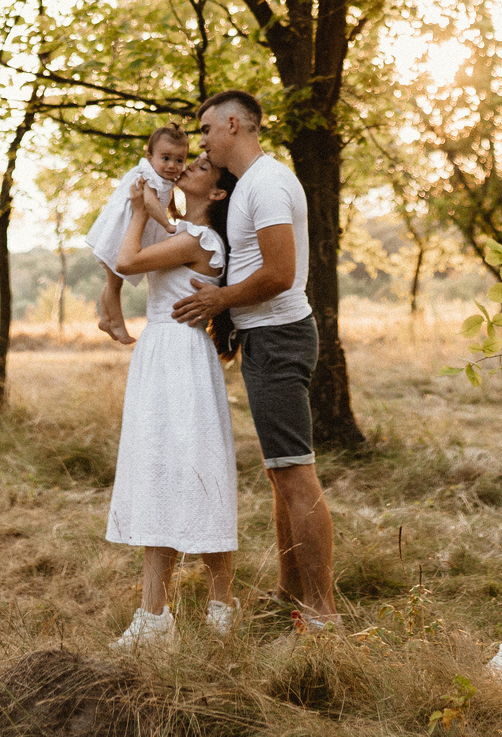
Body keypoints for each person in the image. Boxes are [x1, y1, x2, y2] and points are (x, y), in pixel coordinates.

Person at [170, 89, 338, 626]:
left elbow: (279, 273)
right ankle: (292, 593)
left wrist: (218, 299)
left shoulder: (266, 184)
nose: (202, 143)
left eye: (206, 131)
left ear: (234, 124)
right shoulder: (250, 187)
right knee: (280, 471)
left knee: (295, 473)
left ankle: (322, 612)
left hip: (280, 336)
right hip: (266, 338)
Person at [104, 147, 240, 648]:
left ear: (219, 191)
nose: (188, 167)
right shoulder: (185, 231)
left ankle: (185, 612)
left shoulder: (201, 238)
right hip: (166, 354)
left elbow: (127, 259)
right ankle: (174, 612)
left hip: (177, 356)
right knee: (165, 471)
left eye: (202, 167)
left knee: (186, 471)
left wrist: (141, 212)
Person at [91, 127, 188, 347]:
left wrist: (173, 211)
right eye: (166, 158)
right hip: (120, 232)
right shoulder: (146, 174)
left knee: (111, 279)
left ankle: (106, 319)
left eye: (179, 160)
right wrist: (167, 224)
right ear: (149, 157)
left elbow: (167, 195)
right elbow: (151, 202)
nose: (173, 165)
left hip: (129, 231)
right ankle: (116, 323)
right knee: (114, 282)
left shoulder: (164, 176)